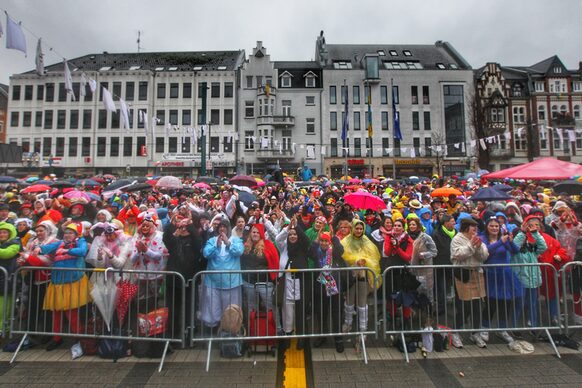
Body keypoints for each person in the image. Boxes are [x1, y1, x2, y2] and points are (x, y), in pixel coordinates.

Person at [37, 222, 90, 351]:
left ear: (76, 234)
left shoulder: (80, 241)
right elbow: (47, 248)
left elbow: (82, 251)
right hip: (57, 282)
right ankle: (57, 338)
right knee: (56, 311)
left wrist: (67, 250)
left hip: (72, 282)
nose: (67, 235)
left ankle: (79, 337)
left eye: (70, 233)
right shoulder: (60, 243)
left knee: (71, 312)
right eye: (66, 232)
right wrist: (38, 249)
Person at [479, 216, 522, 344]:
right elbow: (485, 253)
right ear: (487, 227)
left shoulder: (503, 238)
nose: (494, 228)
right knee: (491, 303)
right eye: (491, 226)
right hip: (491, 275)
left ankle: (502, 329)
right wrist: (500, 242)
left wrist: (511, 241)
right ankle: (485, 328)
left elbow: (515, 251)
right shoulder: (482, 239)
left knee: (505, 303)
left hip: (505, 275)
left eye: (496, 226)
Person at [340, 219, 381, 351]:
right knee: (349, 300)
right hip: (351, 276)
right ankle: (348, 323)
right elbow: (343, 254)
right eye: (356, 228)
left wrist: (364, 261)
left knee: (362, 303)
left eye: (360, 229)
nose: (359, 231)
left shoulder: (367, 241)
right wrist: (356, 260)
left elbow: (374, 257)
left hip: (363, 276)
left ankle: (363, 329)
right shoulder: (346, 240)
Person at [450, 217, 489, 349]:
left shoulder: (477, 238)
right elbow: (458, 255)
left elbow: (484, 256)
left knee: (478, 305)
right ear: (466, 227)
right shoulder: (457, 239)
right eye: (473, 228)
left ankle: (475, 333)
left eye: (476, 228)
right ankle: (456, 332)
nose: (475, 230)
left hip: (477, 273)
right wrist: (471, 245)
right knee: (464, 306)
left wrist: (478, 248)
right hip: (463, 274)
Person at [201, 218, 244, 330]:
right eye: (220, 227)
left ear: (228, 228)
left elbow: (239, 251)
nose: (222, 229)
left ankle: (229, 330)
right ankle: (213, 330)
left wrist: (228, 243)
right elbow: (206, 254)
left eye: (224, 227)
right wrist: (217, 245)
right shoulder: (212, 240)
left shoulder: (236, 240)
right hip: (213, 282)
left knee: (230, 309)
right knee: (212, 308)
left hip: (231, 282)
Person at [310, 230, 346, 353]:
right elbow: (310, 251)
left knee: (336, 314)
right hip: (320, 287)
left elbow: (341, 249)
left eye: (326, 241)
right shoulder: (316, 252)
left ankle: (338, 339)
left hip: (334, 287)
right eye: (322, 241)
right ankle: (322, 335)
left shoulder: (334, 252)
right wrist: (317, 238)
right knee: (321, 313)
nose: (324, 243)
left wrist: (333, 237)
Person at [240, 224, 280, 330]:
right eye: (253, 232)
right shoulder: (245, 245)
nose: (255, 234)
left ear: (261, 234)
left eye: (258, 232)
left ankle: (277, 331)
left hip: (265, 283)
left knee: (271, 308)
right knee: (251, 308)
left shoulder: (268, 245)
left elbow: (275, 261)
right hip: (248, 282)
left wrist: (275, 278)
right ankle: (251, 333)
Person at [511, 215, 547, 332]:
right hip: (520, 281)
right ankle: (514, 326)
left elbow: (543, 246)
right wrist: (522, 232)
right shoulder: (515, 252)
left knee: (533, 305)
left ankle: (534, 325)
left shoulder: (532, 250)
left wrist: (535, 233)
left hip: (533, 280)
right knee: (518, 305)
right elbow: (515, 245)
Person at [432, 214, 456, 316]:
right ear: (446, 223)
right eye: (452, 221)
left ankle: (458, 305)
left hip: (454, 264)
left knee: (456, 285)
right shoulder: (436, 234)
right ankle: (441, 308)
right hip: (441, 265)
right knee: (441, 287)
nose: (454, 223)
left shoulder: (457, 233)